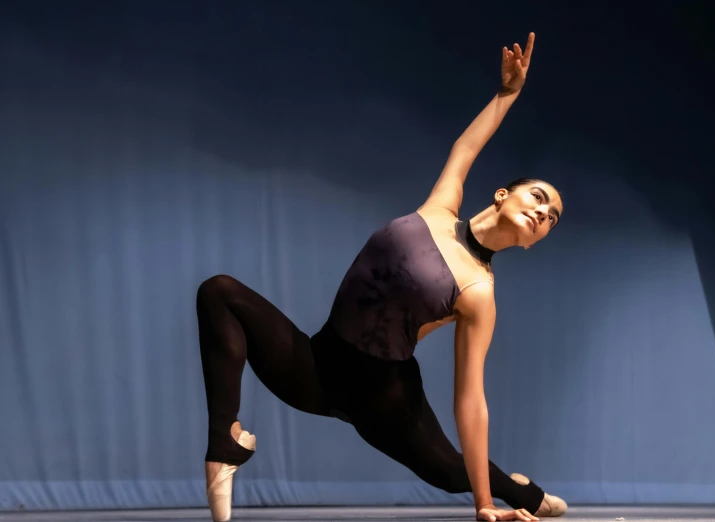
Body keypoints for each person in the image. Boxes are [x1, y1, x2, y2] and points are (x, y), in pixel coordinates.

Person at [197, 32, 567, 522]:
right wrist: (507, 94)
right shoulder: (440, 207)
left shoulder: (480, 293)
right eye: (539, 198)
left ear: (535, 241)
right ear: (502, 195)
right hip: (317, 365)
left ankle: (520, 493)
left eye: (552, 218)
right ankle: (224, 445)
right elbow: (466, 145)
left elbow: (471, 399)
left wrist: (483, 505)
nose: (543, 213)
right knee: (219, 292)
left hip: (386, 398)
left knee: (452, 474)